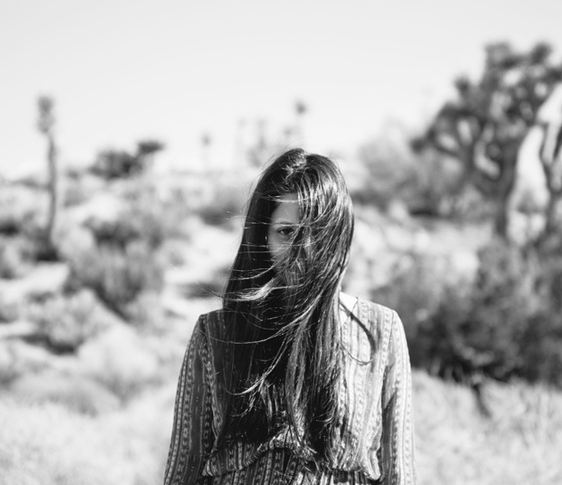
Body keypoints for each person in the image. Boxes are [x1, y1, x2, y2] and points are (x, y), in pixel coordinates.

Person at [164, 148, 417, 485]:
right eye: (286, 232)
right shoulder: (216, 335)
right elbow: (184, 472)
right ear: (261, 238)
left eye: (318, 231)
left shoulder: (380, 332)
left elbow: (399, 474)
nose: (304, 249)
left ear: (338, 237)